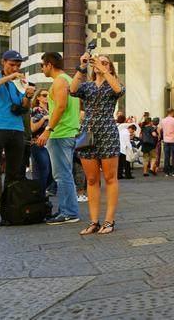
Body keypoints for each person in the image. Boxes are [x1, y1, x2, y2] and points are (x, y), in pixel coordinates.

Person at [70, 52, 126, 234]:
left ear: (110, 67)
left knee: (110, 178)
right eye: (98, 62)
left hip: (108, 132)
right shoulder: (87, 86)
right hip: (87, 133)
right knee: (92, 179)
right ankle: (94, 221)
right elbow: (72, 90)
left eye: (105, 63)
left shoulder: (112, 85)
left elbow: (119, 90)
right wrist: (82, 65)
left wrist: (105, 71)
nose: (100, 65)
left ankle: (109, 221)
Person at [37, 52, 81, 225]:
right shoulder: (68, 80)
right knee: (64, 174)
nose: (42, 68)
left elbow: (61, 106)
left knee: (62, 175)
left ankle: (69, 212)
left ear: (49, 64)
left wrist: (48, 129)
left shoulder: (60, 81)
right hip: (66, 132)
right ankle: (66, 210)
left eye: (42, 65)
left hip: (61, 133)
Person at [0, 50, 35, 216]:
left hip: (17, 129)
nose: (15, 68)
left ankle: (8, 210)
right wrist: (9, 78)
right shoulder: (5, 78)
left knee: (14, 172)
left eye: (18, 66)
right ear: (3, 62)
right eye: (12, 65)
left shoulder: (19, 82)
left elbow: (24, 107)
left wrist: (28, 96)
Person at [30, 89, 53, 194]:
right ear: (38, 97)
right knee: (44, 170)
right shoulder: (36, 110)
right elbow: (33, 128)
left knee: (49, 172)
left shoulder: (50, 110)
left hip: (50, 144)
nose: (47, 97)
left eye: (48, 95)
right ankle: (40, 194)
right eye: (44, 95)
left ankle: (40, 193)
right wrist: (44, 118)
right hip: (38, 143)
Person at [161, 109, 174, 176]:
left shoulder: (163, 120)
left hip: (166, 140)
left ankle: (167, 172)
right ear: (172, 113)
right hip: (173, 140)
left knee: (167, 156)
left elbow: (160, 129)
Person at [117, 115, 134, 180]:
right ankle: (128, 175)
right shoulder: (126, 132)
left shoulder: (119, 129)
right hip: (124, 149)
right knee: (127, 163)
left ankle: (119, 175)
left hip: (119, 148)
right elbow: (127, 142)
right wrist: (130, 148)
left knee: (120, 164)